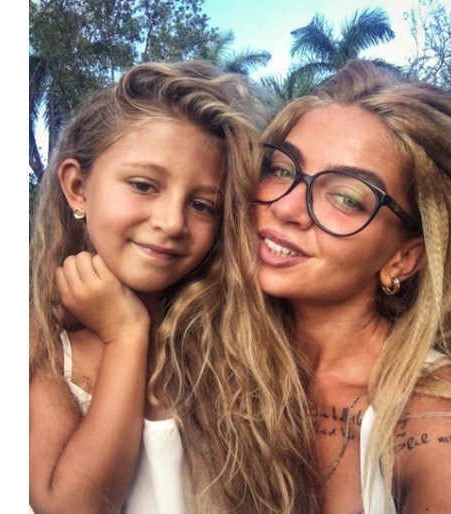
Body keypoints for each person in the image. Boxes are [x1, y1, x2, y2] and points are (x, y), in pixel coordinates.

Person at [29, 60, 319, 514]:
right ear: (78, 186)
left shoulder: (240, 343)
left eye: (203, 205)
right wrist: (125, 334)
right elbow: (72, 506)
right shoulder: (43, 342)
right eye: (144, 185)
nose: (171, 222)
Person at [254, 59, 451, 514]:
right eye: (282, 170)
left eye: (346, 198)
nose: (287, 208)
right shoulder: (212, 350)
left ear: (403, 258)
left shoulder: (437, 417)